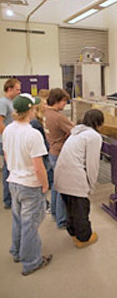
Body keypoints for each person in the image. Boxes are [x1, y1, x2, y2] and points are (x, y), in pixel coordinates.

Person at [2, 93, 52, 275]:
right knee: (30, 224)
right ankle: (31, 262)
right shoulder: (32, 134)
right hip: (30, 185)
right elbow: (38, 167)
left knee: (18, 219)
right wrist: (45, 185)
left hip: (13, 182)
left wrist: (16, 170)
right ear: (30, 110)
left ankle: (16, 251)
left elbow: (7, 156)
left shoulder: (8, 129)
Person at [54, 109, 104, 248]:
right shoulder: (93, 136)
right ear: (99, 123)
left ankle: (74, 233)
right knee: (81, 209)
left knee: (70, 207)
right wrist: (91, 185)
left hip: (61, 175)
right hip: (73, 177)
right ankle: (84, 238)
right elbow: (92, 164)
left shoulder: (76, 132)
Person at [44, 88, 74, 229]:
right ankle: (62, 220)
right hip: (60, 153)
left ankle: (55, 214)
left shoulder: (46, 113)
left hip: (52, 152)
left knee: (56, 186)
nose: (65, 104)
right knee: (63, 188)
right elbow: (74, 131)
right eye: (64, 102)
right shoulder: (59, 117)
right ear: (57, 101)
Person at [0, 78, 21, 209]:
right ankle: (8, 200)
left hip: (12, 140)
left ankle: (12, 198)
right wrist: (8, 136)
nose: (19, 92)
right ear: (9, 89)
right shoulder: (3, 103)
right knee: (9, 170)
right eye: (17, 89)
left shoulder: (11, 102)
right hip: (7, 142)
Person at [30, 94, 51, 213]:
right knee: (40, 182)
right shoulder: (35, 124)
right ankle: (43, 205)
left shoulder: (38, 121)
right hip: (41, 154)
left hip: (43, 152)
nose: (46, 106)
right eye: (44, 104)